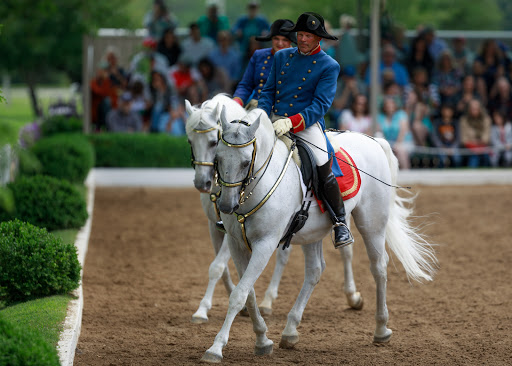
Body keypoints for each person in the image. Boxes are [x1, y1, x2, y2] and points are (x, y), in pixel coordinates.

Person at [258, 12, 353, 249]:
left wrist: (291, 122)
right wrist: (261, 115)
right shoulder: (281, 57)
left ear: (318, 38)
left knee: (322, 161)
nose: (302, 39)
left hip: (305, 124)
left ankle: (340, 222)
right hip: (274, 118)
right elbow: (268, 91)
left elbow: (320, 105)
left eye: (307, 36)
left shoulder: (329, 65)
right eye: (299, 35)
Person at [233, 19, 296, 109]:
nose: (280, 43)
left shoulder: (298, 59)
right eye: (276, 39)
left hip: (284, 112)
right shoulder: (259, 55)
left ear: (291, 41)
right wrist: (237, 102)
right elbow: (246, 85)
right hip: (256, 107)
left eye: (285, 40)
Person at [377, 97, 414, 170]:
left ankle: (407, 173)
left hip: (404, 142)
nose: (389, 106)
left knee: (400, 150)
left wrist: (396, 144)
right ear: (384, 106)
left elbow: (403, 130)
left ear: (395, 105)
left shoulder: (401, 114)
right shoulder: (380, 117)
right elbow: (379, 132)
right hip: (388, 144)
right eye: (387, 105)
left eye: (391, 104)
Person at [459, 98, 492, 168]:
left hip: (483, 148)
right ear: (468, 109)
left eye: (476, 109)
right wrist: (475, 145)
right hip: (469, 149)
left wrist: (479, 144)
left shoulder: (486, 119)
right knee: (474, 158)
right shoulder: (464, 120)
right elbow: (464, 139)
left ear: (480, 109)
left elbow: (486, 138)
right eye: (472, 109)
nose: (474, 111)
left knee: (486, 157)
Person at [430, 102, 462, 168]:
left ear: (452, 112)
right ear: (442, 111)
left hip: (453, 147)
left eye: (449, 110)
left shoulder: (456, 123)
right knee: (441, 159)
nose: (447, 112)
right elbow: (434, 137)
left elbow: (459, 138)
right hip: (440, 146)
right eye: (445, 110)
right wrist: (441, 146)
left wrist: (453, 148)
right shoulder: (437, 123)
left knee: (457, 159)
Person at [90, 62, 117, 132]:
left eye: (105, 71)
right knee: (106, 101)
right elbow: (101, 93)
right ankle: (106, 127)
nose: (103, 73)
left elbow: (114, 98)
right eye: (102, 70)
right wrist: (106, 80)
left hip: (110, 112)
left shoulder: (110, 83)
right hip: (96, 114)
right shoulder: (93, 83)